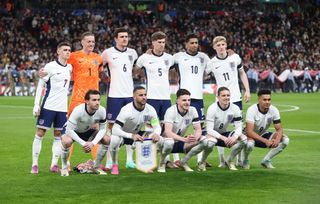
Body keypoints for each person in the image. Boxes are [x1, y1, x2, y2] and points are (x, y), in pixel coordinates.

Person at [206, 36, 250, 168]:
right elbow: (201, 75)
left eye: (223, 44)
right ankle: (221, 159)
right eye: (218, 45)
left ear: (226, 45)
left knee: (239, 129)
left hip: (236, 98)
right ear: (214, 47)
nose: (221, 47)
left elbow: (242, 73)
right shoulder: (211, 63)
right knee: (220, 128)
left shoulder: (235, 58)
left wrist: (247, 90)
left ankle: (239, 160)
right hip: (220, 100)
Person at [31, 42, 72, 174]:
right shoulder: (50, 67)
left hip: (62, 108)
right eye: (64, 50)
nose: (67, 52)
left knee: (59, 135)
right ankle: (34, 164)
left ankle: (54, 164)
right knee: (40, 133)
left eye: (69, 50)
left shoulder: (70, 67)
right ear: (58, 52)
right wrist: (36, 105)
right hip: (48, 106)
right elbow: (40, 86)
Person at [135, 31, 175, 167]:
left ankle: (166, 159)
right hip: (151, 98)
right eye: (159, 42)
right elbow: (135, 70)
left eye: (163, 42)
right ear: (152, 43)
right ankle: (148, 160)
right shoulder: (144, 58)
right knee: (150, 128)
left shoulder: (169, 58)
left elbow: (176, 71)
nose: (162, 45)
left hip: (166, 99)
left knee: (167, 128)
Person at [100, 28, 138, 169]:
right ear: (115, 39)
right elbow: (98, 68)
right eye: (121, 36)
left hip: (129, 95)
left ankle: (129, 160)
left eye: (126, 36)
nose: (124, 39)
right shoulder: (107, 53)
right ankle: (110, 161)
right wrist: (104, 78)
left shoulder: (133, 53)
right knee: (111, 127)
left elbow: (135, 68)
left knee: (131, 126)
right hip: (114, 95)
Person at [109, 86, 166, 175]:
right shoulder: (126, 110)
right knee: (114, 140)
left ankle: (147, 164)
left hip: (137, 134)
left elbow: (157, 126)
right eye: (140, 95)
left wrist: (156, 134)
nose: (144, 97)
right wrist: (130, 136)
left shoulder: (150, 109)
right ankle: (114, 165)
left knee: (161, 140)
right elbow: (115, 129)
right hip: (124, 134)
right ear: (134, 97)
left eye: (145, 95)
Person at [173, 33, 210, 167]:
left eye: (196, 43)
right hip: (183, 97)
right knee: (177, 127)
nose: (194, 45)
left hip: (198, 98)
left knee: (200, 128)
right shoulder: (178, 57)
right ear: (186, 44)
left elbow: (208, 71)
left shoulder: (204, 57)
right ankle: (175, 157)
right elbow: (167, 67)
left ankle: (201, 159)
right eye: (192, 43)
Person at [159, 89, 214, 173]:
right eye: (184, 100)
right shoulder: (170, 111)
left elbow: (198, 129)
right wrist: (184, 139)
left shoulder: (193, 110)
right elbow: (168, 132)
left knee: (205, 141)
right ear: (177, 101)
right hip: (164, 143)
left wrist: (195, 138)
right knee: (169, 142)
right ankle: (162, 163)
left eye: (189, 100)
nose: (187, 102)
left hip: (180, 142)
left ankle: (184, 161)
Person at [60, 90, 110, 176]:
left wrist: (92, 143)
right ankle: (64, 168)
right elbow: (69, 130)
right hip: (73, 131)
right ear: (87, 101)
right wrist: (84, 143)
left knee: (106, 139)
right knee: (66, 141)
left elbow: (102, 130)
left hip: (87, 130)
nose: (97, 102)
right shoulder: (78, 110)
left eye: (98, 100)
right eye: (94, 100)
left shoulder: (102, 110)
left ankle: (96, 167)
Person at [243, 89, 290, 169]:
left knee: (285, 140)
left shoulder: (274, 110)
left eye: (269, 99)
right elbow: (249, 131)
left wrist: (277, 140)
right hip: (249, 135)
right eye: (264, 100)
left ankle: (266, 160)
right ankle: (245, 160)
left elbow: (279, 129)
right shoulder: (252, 110)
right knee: (250, 144)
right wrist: (266, 141)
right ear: (259, 100)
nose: (267, 102)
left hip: (263, 133)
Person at [204, 87, 247, 170]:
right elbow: (209, 130)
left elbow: (239, 127)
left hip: (223, 133)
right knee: (210, 143)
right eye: (223, 95)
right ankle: (201, 162)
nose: (226, 97)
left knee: (244, 140)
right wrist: (223, 138)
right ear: (218, 97)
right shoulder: (212, 108)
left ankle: (229, 160)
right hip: (210, 134)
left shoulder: (235, 108)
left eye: (228, 95)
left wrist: (235, 137)